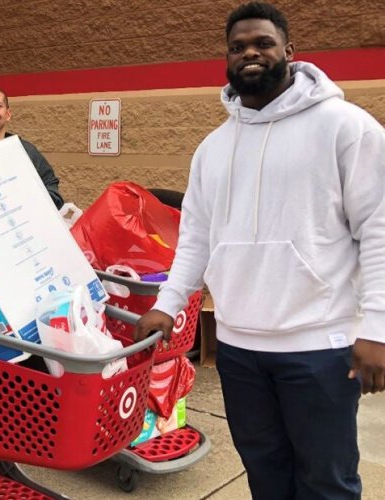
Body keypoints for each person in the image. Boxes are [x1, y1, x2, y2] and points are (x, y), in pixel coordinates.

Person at [135, 3, 385, 499]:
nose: (250, 52)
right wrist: (165, 305)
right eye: (237, 46)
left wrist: (377, 326)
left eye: (262, 43)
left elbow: (379, 229)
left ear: (289, 52)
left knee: (326, 481)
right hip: (239, 349)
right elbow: (196, 240)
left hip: (320, 346)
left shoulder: (347, 128)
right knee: (265, 473)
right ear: (227, 59)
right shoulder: (213, 147)